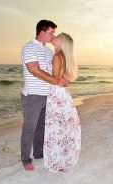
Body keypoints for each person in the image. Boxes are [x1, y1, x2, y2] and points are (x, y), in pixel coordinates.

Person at [20, 20, 68, 171]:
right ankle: (26, 158)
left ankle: (39, 153)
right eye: (51, 32)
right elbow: (34, 70)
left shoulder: (48, 51)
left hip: (48, 95)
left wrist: (63, 80)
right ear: (41, 32)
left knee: (42, 127)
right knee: (30, 128)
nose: (53, 36)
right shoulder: (29, 47)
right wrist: (55, 81)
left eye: (53, 33)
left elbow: (54, 71)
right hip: (33, 95)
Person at [30, 33, 81, 172]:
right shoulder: (62, 56)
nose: (54, 37)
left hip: (56, 94)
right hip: (61, 94)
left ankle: (57, 157)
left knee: (55, 126)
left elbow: (54, 79)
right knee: (61, 125)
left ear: (61, 41)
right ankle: (62, 154)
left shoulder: (57, 57)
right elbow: (60, 78)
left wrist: (37, 70)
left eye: (57, 36)